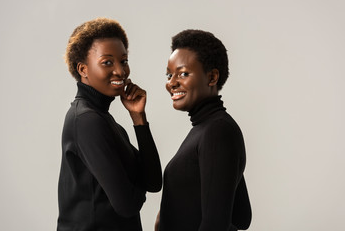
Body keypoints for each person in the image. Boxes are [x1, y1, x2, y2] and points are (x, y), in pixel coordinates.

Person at [57, 17, 162, 231]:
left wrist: (139, 118)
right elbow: (127, 206)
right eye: (107, 62)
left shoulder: (103, 120)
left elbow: (153, 182)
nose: (120, 71)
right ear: (83, 69)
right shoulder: (87, 121)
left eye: (123, 61)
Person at [156, 29, 251, 231]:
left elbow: (215, 225)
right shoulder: (207, 128)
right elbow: (242, 216)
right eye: (169, 74)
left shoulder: (217, 131)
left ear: (212, 77)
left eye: (182, 73)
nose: (171, 83)